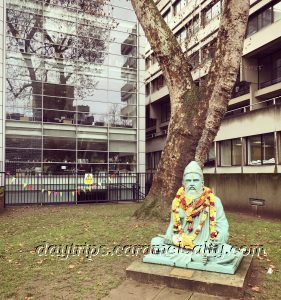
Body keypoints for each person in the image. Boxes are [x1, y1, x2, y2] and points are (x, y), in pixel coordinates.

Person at [143, 161, 243, 273]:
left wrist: (218, 239)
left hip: (205, 246)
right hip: (181, 245)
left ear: (202, 182)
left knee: (229, 252)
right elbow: (171, 230)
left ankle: (196, 256)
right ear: (183, 184)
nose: (191, 184)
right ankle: (193, 258)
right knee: (156, 243)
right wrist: (170, 235)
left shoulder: (214, 201)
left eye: (195, 180)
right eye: (188, 181)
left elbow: (223, 228)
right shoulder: (177, 202)